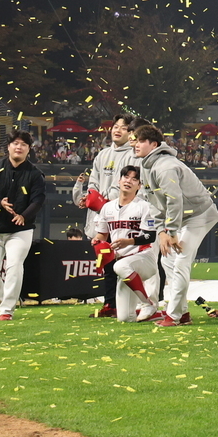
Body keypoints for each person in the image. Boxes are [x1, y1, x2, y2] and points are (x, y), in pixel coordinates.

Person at [132, 123, 218, 327]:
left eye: (140, 141)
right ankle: (182, 313)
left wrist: (170, 231)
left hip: (200, 214)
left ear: (153, 144)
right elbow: (153, 202)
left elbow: (174, 200)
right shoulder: (147, 166)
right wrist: (162, 231)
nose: (135, 144)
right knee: (168, 261)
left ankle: (173, 316)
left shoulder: (165, 166)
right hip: (183, 217)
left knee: (181, 261)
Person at [0, 131, 46, 320]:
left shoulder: (35, 174)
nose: (19, 147)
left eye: (23, 144)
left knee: (14, 266)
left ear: (29, 149)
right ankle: (5, 301)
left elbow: (38, 200)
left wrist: (24, 216)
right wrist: (0, 204)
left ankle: (6, 311)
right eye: (15, 143)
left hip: (20, 230)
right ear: (8, 147)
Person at [74, 114, 137, 318]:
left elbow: (124, 185)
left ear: (131, 133)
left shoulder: (133, 156)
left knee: (124, 262)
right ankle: (110, 304)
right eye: (115, 126)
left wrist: (104, 202)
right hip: (101, 217)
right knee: (106, 262)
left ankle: (131, 304)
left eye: (124, 128)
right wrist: (89, 197)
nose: (117, 130)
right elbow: (93, 181)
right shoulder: (102, 155)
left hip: (122, 216)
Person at [92, 165, 161, 323]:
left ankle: (147, 303)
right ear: (119, 180)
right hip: (124, 265)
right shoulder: (107, 207)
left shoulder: (144, 206)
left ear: (139, 185)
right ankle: (159, 314)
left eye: (134, 179)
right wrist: (97, 241)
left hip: (144, 258)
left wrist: (127, 241)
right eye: (126, 177)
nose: (129, 181)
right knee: (124, 318)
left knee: (120, 266)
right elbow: (102, 234)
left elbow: (150, 236)